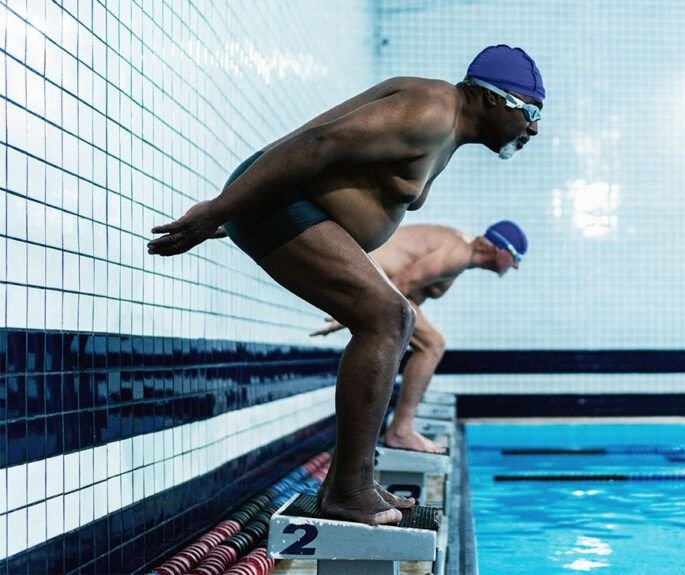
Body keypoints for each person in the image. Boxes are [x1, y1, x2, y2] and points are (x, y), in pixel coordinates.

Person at [147, 45, 545, 526]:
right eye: (529, 112)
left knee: (393, 320)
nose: (533, 128)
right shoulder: (432, 109)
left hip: (285, 208)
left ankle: (355, 480)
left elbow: (338, 173)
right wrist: (222, 208)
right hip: (279, 205)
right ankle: (347, 490)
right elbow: (318, 144)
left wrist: (230, 217)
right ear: (491, 98)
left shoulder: (445, 128)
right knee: (389, 318)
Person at [311, 221, 528, 454]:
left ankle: (389, 429)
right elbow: (405, 282)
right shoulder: (459, 253)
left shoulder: (460, 254)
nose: (515, 266)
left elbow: (411, 291)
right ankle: (400, 432)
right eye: (516, 258)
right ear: (499, 249)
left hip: (372, 276)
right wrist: (353, 310)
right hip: (364, 276)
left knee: (413, 339)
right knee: (432, 345)